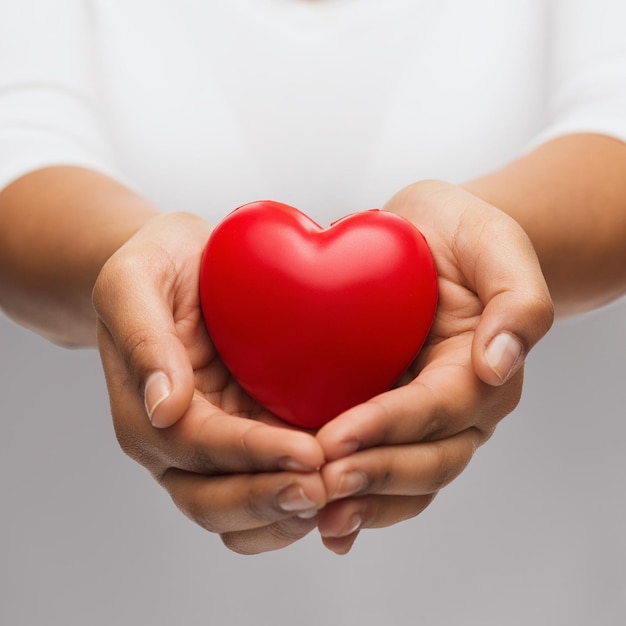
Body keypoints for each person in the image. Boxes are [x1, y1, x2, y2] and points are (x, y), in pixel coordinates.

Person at [0, 0, 624, 557]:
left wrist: (492, 245)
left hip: (542, 563)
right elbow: (18, 140)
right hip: (87, 566)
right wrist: (132, 273)